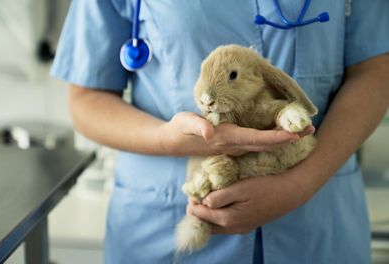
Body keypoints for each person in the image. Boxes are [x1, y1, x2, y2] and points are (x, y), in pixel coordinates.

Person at [51, 1, 389, 263]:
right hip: (163, 221)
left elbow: (375, 70)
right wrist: (168, 140)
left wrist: (300, 184)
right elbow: (86, 98)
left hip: (316, 221)